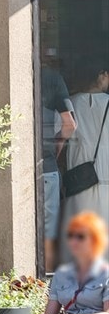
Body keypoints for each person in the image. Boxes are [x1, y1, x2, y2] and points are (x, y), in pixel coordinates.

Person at [62, 66, 108, 265]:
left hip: (79, 169)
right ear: (101, 76)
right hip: (105, 169)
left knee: (80, 221)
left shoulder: (71, 102)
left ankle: (81, 264)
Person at [41, 59, 78, 272]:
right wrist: (57, 144)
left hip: (10, 169)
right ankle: (44, 286)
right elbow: (69, 125)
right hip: (46, 167)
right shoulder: (53, 79)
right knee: (48, 236)